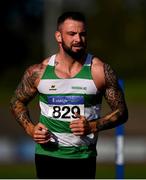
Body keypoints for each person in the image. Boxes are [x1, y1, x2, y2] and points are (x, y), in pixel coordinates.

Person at [10, 11, 128, 179]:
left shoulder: (100, 71)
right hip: (47, 156)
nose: (78, 39)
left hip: (83, 157)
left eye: (82, 34)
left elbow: (122, 112)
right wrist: (31, 129)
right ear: (59, 36)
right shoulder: (39, 72)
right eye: (72, 34)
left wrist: (92, 126)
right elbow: (16, 102)